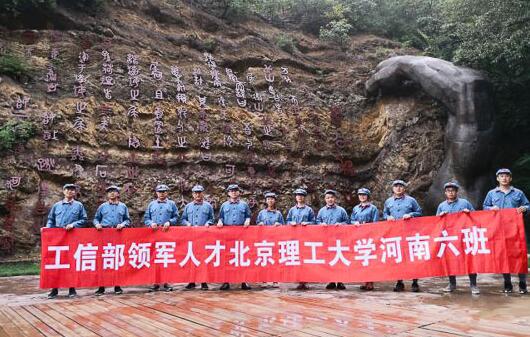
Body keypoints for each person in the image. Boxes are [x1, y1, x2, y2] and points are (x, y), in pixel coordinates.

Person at [483, 168, 530, 294]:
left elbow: (528, 205)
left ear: (510, 178)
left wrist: (524, 208)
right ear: (497, 178)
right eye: (501, 176)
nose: (504, 178)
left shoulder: (518, 193)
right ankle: (507, 283)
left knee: (520, 255)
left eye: (507, 176)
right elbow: (485, 207)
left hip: (516, 230)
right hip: (499, 230)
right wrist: (491, 208)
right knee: (503, 256)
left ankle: (522, 284)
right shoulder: (491, 194)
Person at [45, 184, 88, 299]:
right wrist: (48, 230)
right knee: (56, 263)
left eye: (72, 190)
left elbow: (84, 219)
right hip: (58, 238)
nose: (70, 191)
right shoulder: (57, 205)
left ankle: (72, 288)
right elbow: (51, 219)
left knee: (71, 262)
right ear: (63, 191)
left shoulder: (79, 206)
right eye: (67, 189)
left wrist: (73, 225)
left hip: (72, 237)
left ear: (75, 193)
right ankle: (54, 289)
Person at [436, 182, 479, 295]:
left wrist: (468, 213)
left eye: (453, 190)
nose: (451, 192)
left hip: (464, 236)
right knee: (450, 260)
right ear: (445, 193)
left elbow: (476, 216)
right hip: (449, 238)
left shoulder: (465, 203)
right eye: (448, 190)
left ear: (457, 192)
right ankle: (452, 283)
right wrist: (441, 216)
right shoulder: (441, 206)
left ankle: (473, 284)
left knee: (469, 259)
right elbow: (436, 222)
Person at [383, 180, 423, 292]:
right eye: (396, 186)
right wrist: (387, 217)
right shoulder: (388, 201)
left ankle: (415, 282)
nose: (398, 188)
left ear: (404, 188)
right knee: (398, 257)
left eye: (401, 186)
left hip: (410, 233)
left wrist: (410, 214)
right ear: (393, 188)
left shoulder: (411, 200)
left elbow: (419, 212)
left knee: (412, 257)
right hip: (395, 234)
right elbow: (385, 213)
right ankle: (399, 281)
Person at [93, 185, 130, 296]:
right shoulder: (102, 207)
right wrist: (97, 224)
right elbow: (96, 218)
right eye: (109, 192)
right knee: (104, 261)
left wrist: (122, 224)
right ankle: (101, 287)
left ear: (118, 194)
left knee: (117, 261)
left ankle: (117, 285)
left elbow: (127, 220)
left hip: (118, 235)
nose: (112, 193)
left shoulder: (123, 206)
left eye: (114, 191)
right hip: (104, 236)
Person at [144, 184, 179, 292]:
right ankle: (155, 282)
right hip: (154, 235)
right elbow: (146, 218)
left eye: (164, 191)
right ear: (156, 193)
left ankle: (167, 282)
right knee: (154, 259)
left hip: (167, 235)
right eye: (160, 191)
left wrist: (170, 222)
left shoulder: (172, 204)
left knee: (166, 258)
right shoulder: (151, 204)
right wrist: (151, 223)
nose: (162, 193)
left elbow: (176, 217)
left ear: (167, 192)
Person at [217, 184, 252, 290]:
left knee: (242, 257)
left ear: (238, 192)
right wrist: (220, 221)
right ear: (228, 193)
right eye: (231, 191)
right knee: (227, 257)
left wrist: (247, 220)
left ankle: (244, 281)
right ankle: (226, 281)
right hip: (227, 234)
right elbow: (221, 217)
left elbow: (248, 216)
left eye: (235, 191)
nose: (233, 192)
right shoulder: (224, 205)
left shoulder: (244, 205)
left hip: (241, 234)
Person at [180, 184, 214, 290]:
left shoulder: (208, 206)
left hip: (204, 236)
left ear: (203, 193)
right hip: (191, 236)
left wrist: (208, 223)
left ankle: (204, 282)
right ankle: (192, 281)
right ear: (192, 194)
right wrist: (187, 224)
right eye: (195, 193)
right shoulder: (188, 206)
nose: (197, 194)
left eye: (199, 192)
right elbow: (183, 219)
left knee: (203, 259)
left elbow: (212, 219)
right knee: (191, 259)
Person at [316, 189, 349, 290]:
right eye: (327, 198)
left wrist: (341, 224)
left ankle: (340, 281)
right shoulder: (321, 211)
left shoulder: (341, 210)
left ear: (335, 198)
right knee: (329, 259)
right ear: (325, 199)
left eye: (331, 197)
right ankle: (331, 280)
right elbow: (317, 221)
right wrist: (321, 224)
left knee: (339, 259)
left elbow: (347, 221)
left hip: (339, 239)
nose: (330, 199)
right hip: (326, 239)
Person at [350, 188, 379, 291]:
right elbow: (352, 220)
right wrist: (355, 223)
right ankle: (364, 280)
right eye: (360, 195)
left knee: (369, 259)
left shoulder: (373, 208)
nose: (362, 196)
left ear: (368, 196)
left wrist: (367, 226)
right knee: (362, 258)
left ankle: (370, 282)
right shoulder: (355, 208)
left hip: (369, 236)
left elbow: (376, 223)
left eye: (364, 195)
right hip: (359, 236)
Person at [286, 188, 315, 290]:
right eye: (298, 195)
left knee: (305, 259)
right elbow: (287, 221)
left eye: (301, 195)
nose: (299, 197)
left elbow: (314, 222)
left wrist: (308, 223)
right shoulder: (292, 210)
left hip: (306, 238)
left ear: (304, 197)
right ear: (295, 197)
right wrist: (291, 223)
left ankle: (305, 281)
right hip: (294, 238)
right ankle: (299, 280)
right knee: (297, 258)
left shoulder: (309, 210)